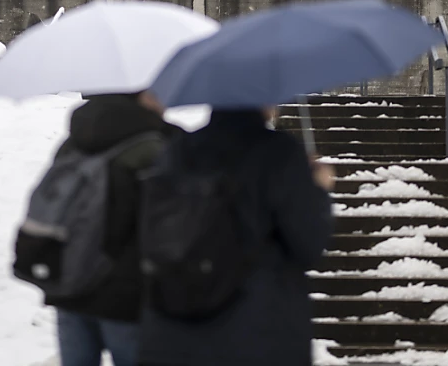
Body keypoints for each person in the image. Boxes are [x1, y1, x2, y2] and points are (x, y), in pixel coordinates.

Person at [138, 107, 335, 366]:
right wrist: (319, 191)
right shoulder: (280, 152)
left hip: (176, 325)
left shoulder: (176, 149)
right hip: (258, 329)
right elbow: (308, 244)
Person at [46, 90, 177, 366]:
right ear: (145, 96)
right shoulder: (157, 147)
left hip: (71, 283)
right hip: (129, 294)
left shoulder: (75, 139)